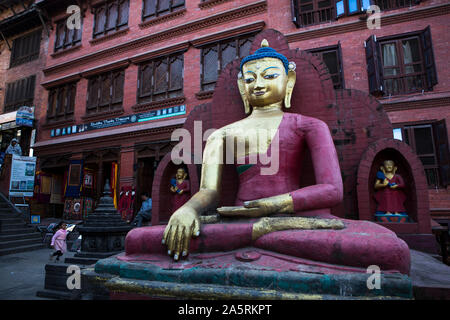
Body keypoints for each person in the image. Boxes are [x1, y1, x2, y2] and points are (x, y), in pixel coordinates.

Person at [123, 40, 410, 274]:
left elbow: (332, 190)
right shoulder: (220, 135)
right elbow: (209, 192)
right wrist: (187, 210)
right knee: (137, 239)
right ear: (241, 87)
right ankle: (263, 232)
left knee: (386, 250)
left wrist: (273, 206)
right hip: (237, 222)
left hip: (294, 220)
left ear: (289, 80)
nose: (258, 84)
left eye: (270, 76)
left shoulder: (308, 125)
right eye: (250, 79)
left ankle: (267, 230)